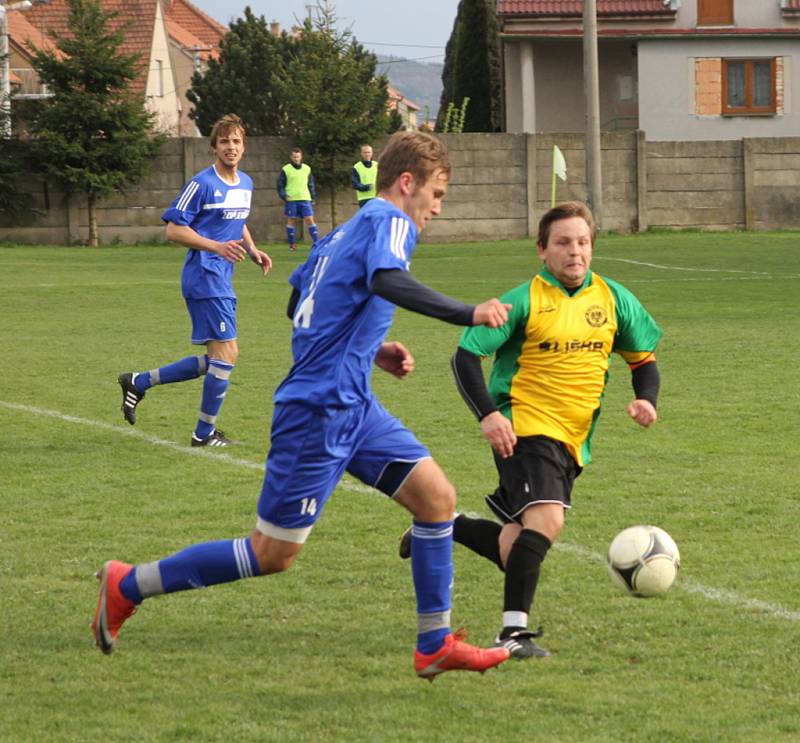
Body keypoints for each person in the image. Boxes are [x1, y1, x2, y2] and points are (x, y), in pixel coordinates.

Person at [93, 131, 513, 681]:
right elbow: (386, 279)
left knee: (436, 499)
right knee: (272, 554)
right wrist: (467, 312)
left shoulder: (343, 231)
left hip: (353, 402)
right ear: (407, 183)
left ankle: (434, 643)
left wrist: (370, 346)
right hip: (318, 410)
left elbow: (301, 303)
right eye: (436, 193)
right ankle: (127, 584)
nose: (437, 206)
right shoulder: (392, 222)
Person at [399, 201, 663, 659]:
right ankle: (513, 634)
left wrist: (646, 399)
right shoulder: (522, 301)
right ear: (542, 250)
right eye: (562, 243)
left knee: (514, 547)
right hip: (523, 427)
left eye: (582, 242)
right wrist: (488, 414)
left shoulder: (615, 299)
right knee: (548, 520)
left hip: (574, 438)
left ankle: (445, 526)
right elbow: (466, 355)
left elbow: (644, 361)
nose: (574, 252)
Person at [117, 114, 272, 448]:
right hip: (204, 276)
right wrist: (216, 246)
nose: (231, 147)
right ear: (214, 146)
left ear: (244, 147)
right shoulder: (201, 183)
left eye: (236, 141)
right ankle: (202, 434)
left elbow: (237, 220)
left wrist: (253, 249)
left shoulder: (245, 183)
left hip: (221, 277)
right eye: (225, 141)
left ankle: (138, 382)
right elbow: (173, 229)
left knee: (224, 356)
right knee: (226, 353)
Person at [277, 147, 319, 251]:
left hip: (305, 198)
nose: (296, 159)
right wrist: (283, 195)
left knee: (309, 219)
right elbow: (280, 185)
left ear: (301, 157)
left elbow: (311, 184)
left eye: (298, 157)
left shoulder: (307, 169)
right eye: (294, 157)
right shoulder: (286, 169)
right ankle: (292, 244)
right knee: (292, 220)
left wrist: (313, 196)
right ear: (291, 157)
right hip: (292, 199)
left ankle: (317, 242)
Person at [351, 143, 378, 208]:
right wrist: (367, 187)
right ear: (361, 153)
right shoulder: (356, 167)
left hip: (377, 197)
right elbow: (355, 184)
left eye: (369, 152)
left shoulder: (377, 165)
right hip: (364, 199)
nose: (367, 154)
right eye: (365, 152)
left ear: (372, 153)